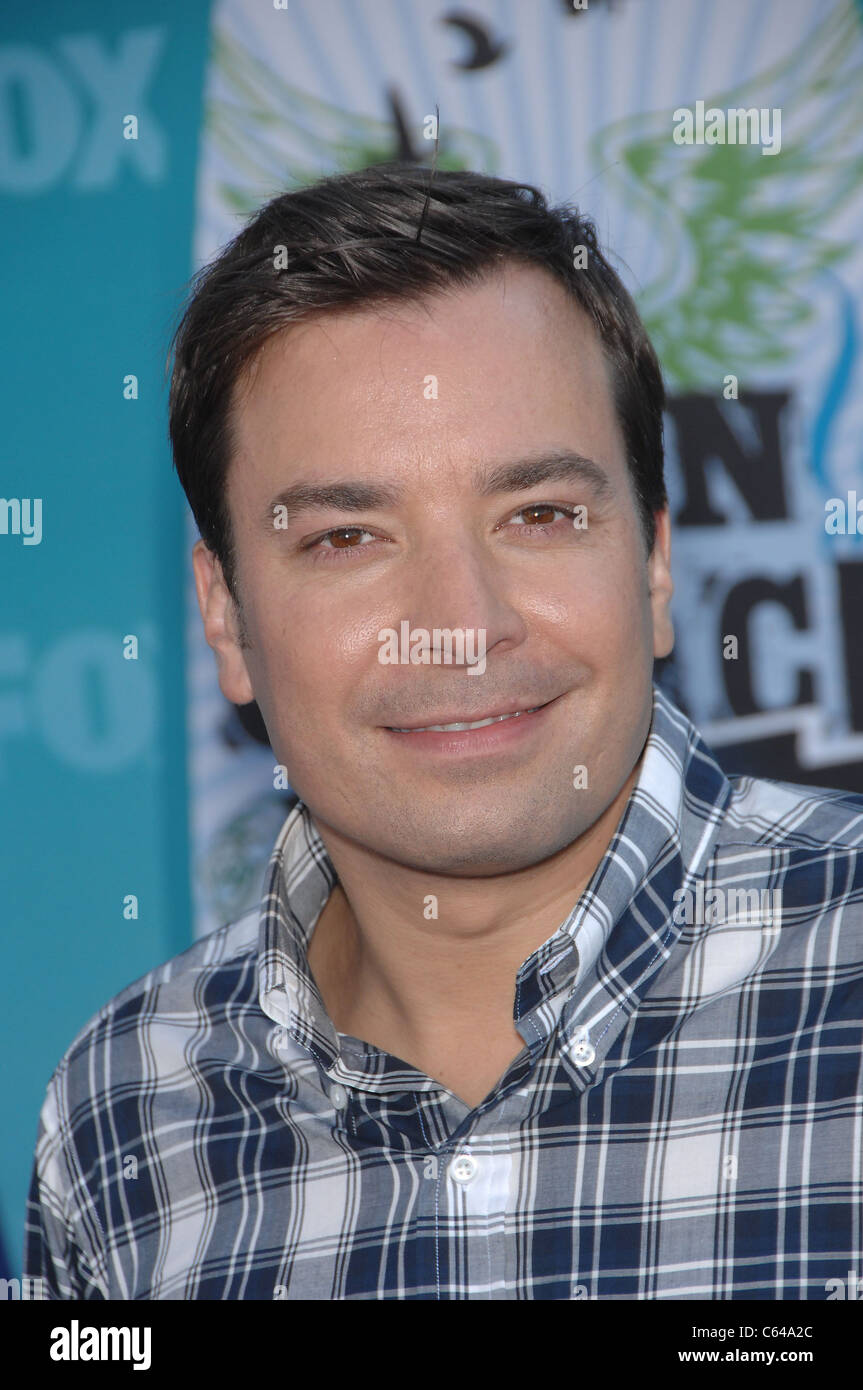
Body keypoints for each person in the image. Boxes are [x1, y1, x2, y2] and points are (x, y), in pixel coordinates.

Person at [25, 165, 863, 1300]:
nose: (459, 627)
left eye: (538, 515)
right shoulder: (120, 1115)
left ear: (655, 562)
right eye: (345, 538)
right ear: (223, 616)